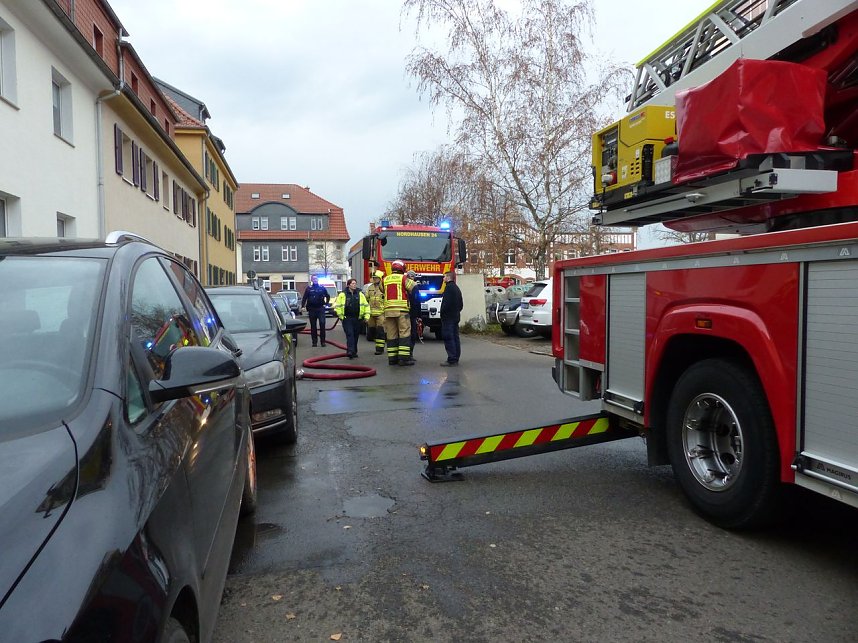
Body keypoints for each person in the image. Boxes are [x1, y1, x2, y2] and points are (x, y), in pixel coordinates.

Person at [382, 260, 416, 366]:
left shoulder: (385, 279)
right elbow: (413, 287)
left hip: (388, 311)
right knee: (404, 333)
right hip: (401, 311)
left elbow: (381, 289)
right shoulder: (404, 278)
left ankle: (392, 359)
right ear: (402, 269)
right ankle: (404, 359)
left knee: (391, 334)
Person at [334, 279, 370, 358]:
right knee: (350, 334)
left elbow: (366, 306)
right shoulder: (343, 295)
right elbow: (338, 306)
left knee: (356, 335)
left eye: (355, 283)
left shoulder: (360, 294)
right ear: (348, 285)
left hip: (357, 318)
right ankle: (350, 351)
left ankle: (354, 351)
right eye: (353, 283)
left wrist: (366, 317)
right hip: (347, 318)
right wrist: (341, 317)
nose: (354, 285)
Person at [439, 270, 463, 366]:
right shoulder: (456, 288)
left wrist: (442, 313)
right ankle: (456, 357)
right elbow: (461, 304)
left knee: (448, 337)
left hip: (448, 318)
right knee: (455, 337)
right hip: (455, 316)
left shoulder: (448, 288)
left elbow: (446, 304)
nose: (443, 278)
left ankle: (451, 359)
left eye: (444, 277)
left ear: (448, 277)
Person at [301, 275, 330, 347]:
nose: (315, 280)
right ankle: (314, 342)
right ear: (311, 280)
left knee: (322, 324)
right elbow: (304, 298)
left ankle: (323, 342)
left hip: (320, 308)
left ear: (318, 279)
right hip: (312, 309)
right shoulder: (309, 288)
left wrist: (326, 304)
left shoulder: (322, 288)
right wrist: (302, 306)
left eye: (316, 278)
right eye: (313, 279)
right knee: (313, 326)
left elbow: (327, 296)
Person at [365, 270, 386, 355]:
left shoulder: (384, 288)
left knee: (380, 331)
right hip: (371, 313)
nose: (374, 279)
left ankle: (379, 349)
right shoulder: (370, 288)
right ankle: (377, 344)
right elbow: (366, 299)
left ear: (380, 278)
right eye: (374, 278)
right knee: (371, 331)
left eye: (376, 278)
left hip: (381, 313)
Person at [406, 270, 422, 360]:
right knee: (412, 334)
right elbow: (417, 301)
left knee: (404, 334)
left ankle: (405, 354)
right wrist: (419, 316)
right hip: (412, 314)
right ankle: (409, 354)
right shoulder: (414, 286)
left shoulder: (403, 285)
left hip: (404, 313)